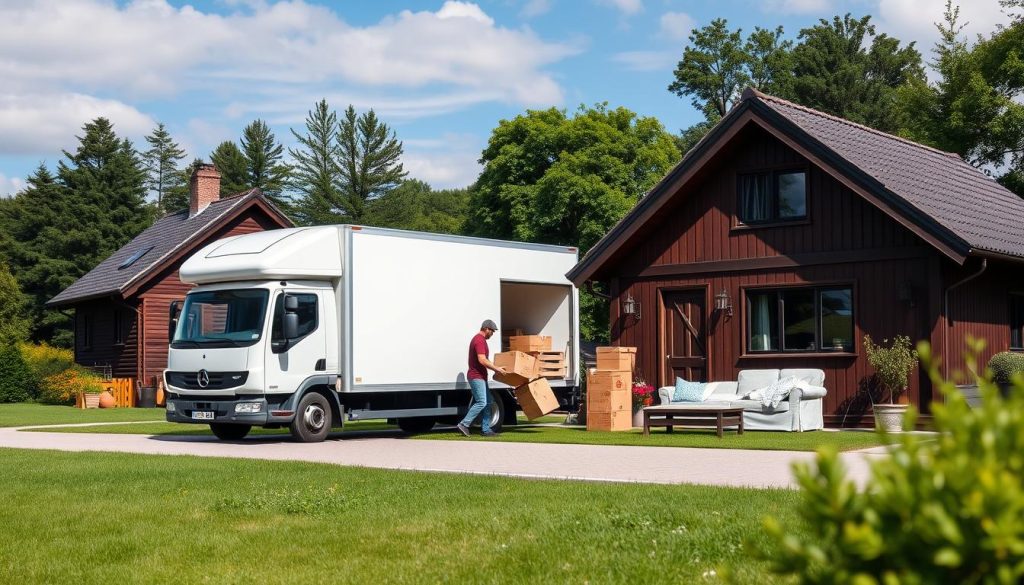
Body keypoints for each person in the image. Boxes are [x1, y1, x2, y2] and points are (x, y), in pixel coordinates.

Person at [457, 319, 506, 437]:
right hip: (476, 377)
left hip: (481, 377)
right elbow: (482, 360)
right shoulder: (479, 340)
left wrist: (496, 367)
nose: (492, 334)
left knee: (489, 402)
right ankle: (464, 424)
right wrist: (496, 369)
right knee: (482, 402)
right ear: (486, 329)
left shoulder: (481, 340)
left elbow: (484, 360)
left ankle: (486, 429)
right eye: (492, 331)